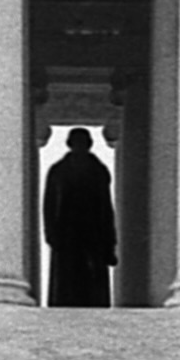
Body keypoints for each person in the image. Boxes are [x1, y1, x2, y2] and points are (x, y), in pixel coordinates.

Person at [41, 128, 117, 307]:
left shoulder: (98, 171)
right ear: (70, 144)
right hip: (66, 232)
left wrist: (110, 242)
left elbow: (106, 207)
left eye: (83, 142)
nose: (79, 146)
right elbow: (49, 204)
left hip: (93, 232)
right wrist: (51, 233)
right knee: (67, 279)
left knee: (92, 281)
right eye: (76, 142)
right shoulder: (58, 171)